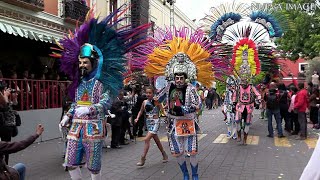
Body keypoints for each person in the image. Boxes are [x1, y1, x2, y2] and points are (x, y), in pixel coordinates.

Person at [55, 6, 149, 180]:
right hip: (75, 128)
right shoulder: (80, 83)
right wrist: (68, 115)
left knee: (93, 166)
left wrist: (90, 110)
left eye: (85, 62)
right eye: (80, 63)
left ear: (93, 62)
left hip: (93, 128)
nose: (82, 65)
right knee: (70, 163)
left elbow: (105, 102)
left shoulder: (101, 84)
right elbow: (76, 103)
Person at [134, 27, 219, 180]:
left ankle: (194, 175)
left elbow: (198, 104)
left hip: (188, 123)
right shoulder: (168, 87)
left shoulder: (191, 88)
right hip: (173, 124)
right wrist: (150, 104)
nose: (179, 80)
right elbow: (157, 99)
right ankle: (185, 173)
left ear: (186, 77)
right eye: (177, 77)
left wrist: (184, 108)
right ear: (173, 76)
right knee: (177, 152)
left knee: (192, 151)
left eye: (181, 77)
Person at [134, 86, 168, 166]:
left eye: (150, 93)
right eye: (147, 93)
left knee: (147, 139)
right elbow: (141, 111)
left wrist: (168, 116)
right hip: (148, 122)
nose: (148, 94)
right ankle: (164, 154)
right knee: (157, 140)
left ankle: (143, 158)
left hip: (156, 122)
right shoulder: (144, 102)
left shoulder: (157, 101)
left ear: (153, 93)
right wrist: (137, 118)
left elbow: (163, 111)